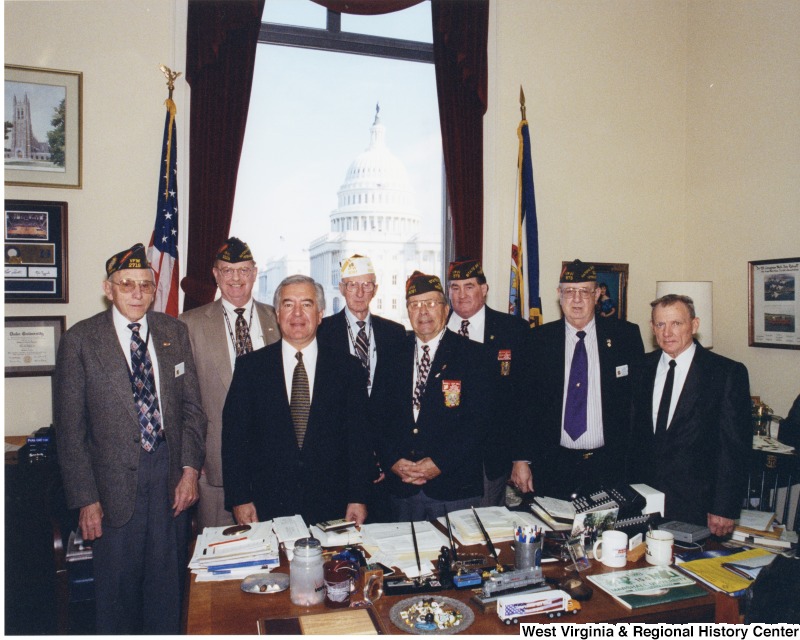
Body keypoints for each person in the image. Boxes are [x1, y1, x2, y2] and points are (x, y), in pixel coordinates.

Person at [54, 243, 206, 634]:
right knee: (117, 598)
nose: (137, 293)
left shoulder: (174, 332)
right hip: (112, 491)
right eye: (127, 285)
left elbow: (192, 410)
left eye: (145, 285)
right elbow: (70, 431)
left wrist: (190, 471)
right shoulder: (81, 340)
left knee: (167, 591)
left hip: (170, 483)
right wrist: (86, 499)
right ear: (109, 289)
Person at [222, 274, 373, 526]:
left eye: (307, 304)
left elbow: (359, 440)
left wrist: (359, 497)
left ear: (321, 313)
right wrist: (240, 499)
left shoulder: (348, 368)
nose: (297, 314)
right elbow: (234, 440)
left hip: (333, 505)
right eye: (289, 304)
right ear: (277, 313)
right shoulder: (251, 368)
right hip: (267, 505)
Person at [511, 259, 644, 499]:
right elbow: (522, 404)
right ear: (558, 295)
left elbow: (639, 402)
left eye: (585, 291)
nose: (577, 299)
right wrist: (521, 458)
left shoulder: (625, 337)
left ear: (597, 295)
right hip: (552, 463)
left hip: (609, 464)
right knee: (555, 533)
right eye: (570, 291)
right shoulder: (537, 341)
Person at [629, 294, 752, 535]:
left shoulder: (725, 373)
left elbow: (734, 447)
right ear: (652, 328)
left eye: (676, 323)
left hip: (698, 505)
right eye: (660, 325)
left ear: (694, 325)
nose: (668, 333)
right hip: (643, 501)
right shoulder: (639, 368)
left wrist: (724, 507)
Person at [179, 237, 279, 530]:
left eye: (244, 270)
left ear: (255, 272)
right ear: (215, 274)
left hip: (274, 467)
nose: (236, 278)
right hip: (215, 470)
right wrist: (193, 462)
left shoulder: (279, 319)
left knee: (278, 560)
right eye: (227, 270)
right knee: (221, 558)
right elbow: (185, 403)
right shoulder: (189, 324)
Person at [378, 271, 491, 521]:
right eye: (415, 305)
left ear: (446, 308)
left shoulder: (474, 356)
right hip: (402, 490)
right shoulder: (392, 355)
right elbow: (377, 418)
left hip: (454, 490)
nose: (423, 312)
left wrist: (438, 463)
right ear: (407, 311)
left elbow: (478, 424)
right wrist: (393, 461)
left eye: (431, 303)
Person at [317, 254, 406, 521]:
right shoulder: (322, 332)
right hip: (339, 456)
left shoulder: (395, 333)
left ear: (375, 289)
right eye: (352, 284)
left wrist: (384, 454)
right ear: (342, 288)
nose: (359, 291)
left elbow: (397, 400)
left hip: (385, 458)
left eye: (366, 284)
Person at [446, 257, 530, 507]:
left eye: (469, 286)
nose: (461, 294)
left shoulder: (513, 330)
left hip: (490, 460)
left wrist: (520, 457)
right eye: (454, 287)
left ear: (484, 289)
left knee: (484, 533)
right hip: (443, 458)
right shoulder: (435, 329)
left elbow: (524, 399)